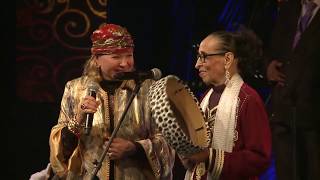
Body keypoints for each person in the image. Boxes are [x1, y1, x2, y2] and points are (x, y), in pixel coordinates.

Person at [49, 23, 174, 180]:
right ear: (96, 59)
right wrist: (79, 118)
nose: (125, 63)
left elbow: (168, 141)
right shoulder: (75, 88)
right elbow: (60, 150)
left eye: (129, 55)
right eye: (116, 57)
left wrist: (134, 148)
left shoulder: (148, 88)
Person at [180, 28, 272, 179]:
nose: (197, 64)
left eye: (204, 57)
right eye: (198, 57)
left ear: (228, 59)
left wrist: (210, 157)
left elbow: (259, 159)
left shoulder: (248, 100)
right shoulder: (205, 98)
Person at [266, 0, 320, 179]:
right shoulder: (290, 7)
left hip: (314, 117)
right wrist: (268, 66)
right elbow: (271, 46)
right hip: (283, 114)